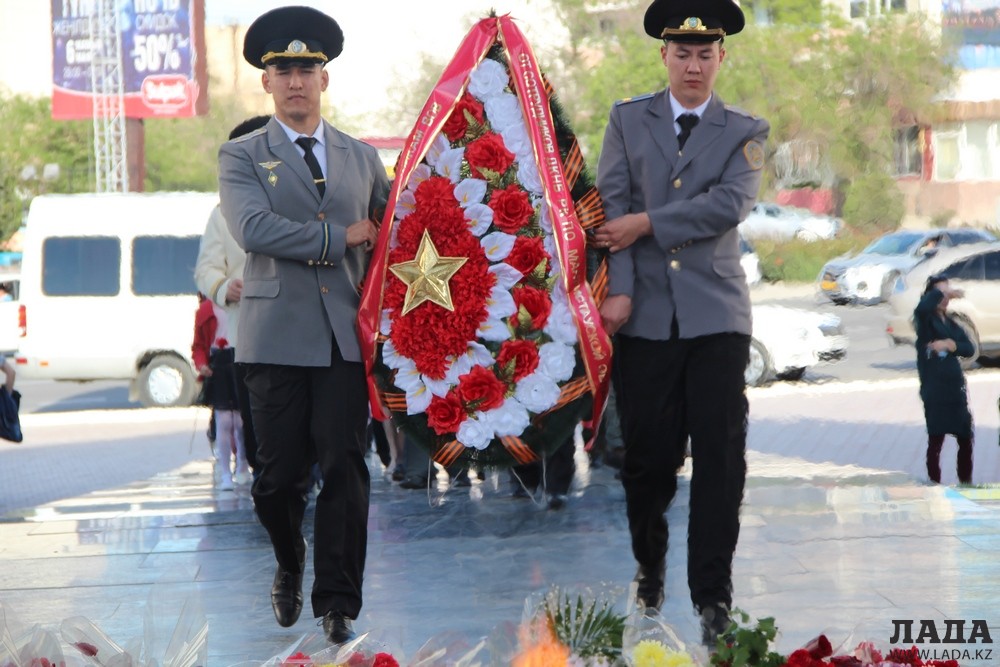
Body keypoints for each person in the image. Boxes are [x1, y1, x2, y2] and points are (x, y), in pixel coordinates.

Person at [592, 0, 770, 647]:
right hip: (644, 316)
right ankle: (650, 564)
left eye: (705, 54)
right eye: (683, 53)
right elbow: (611, 209)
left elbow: (729, 205)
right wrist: (620, 291)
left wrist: (648, 222)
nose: (694, 65)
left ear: (721, 57)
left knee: (722, 456)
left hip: (715, 314)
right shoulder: (627, 119)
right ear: (664, 56)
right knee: (648, 460)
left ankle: (712, 593)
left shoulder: (745, 129)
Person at [217, 6, 388, 645]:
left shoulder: (362, 157)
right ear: (266, 82)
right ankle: (290, 558)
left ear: (324, 79)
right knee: (278, 477)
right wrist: (338, 237)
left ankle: (338, 601)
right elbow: (252, 229)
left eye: (307, 70)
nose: (296, 81)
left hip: (342, 336)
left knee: (345, 464)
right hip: (274, 337)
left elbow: (391, 235)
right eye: (283, 71)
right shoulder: (241, 154)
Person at [195, 114, 272, 483]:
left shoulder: (301, 200)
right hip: (248, 340)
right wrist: (225, 287)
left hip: (302, 336)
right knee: (257, 433)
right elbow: (205, 269)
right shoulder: (222, 213)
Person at [913, 274, 975, 485]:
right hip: (935, 389)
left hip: (954, 389)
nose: (945, 297)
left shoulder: (951, 323)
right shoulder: (925, 321)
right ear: (930, 295)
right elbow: (922, 308)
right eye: (940, 293)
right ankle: (935, 484)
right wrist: (941, 292)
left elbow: (969, 348)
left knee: (965, 437)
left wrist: (951, 345)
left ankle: (965, 482)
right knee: (936, 440)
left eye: (948, 292)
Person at [191, 293, 247, 491]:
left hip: (240, 359)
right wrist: (202, 364)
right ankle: (225, 473)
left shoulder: (243, 303)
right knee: (224, 421)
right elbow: (199, 345)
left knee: (240, 422)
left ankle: (242, 464)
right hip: (218, 362)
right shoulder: (206, 310)